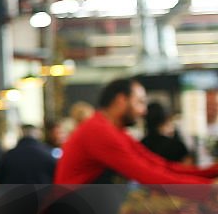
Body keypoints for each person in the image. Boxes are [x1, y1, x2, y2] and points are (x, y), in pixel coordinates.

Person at [55, 79, 218, 186]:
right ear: (121, 100)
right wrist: (208, 188)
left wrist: (210, 173)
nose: (144, 111)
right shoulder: (99, 131)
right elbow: (149, 175)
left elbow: (157, 165)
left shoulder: (113, 130)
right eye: (140, 102)